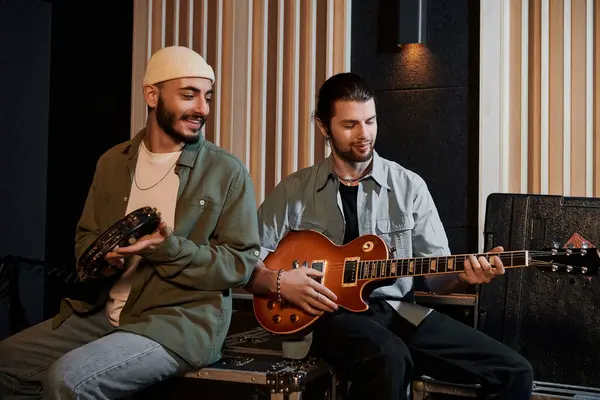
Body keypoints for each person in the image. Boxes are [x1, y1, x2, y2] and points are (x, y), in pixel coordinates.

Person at [244, 72, 533, 400]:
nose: (364, 134)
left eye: (370, 121)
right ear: (324, 127)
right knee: (390, 359)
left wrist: (466, 277)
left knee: (515, 371)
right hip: (330, 317)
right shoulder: (294, 190)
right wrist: (281, 282)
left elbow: (438, 276)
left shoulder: (409, 187)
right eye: (350, 124)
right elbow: (245, 260)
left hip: (400, 311)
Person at [0, 46, 261, 399]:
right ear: (152, 95)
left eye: (207, 96)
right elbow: (85, 240)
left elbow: (240, 263)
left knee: (66, 380)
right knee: (7, 361)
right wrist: (104, 261)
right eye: (189, 94)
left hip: (176, 324)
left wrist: (168, 249)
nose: (203, 108)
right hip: (104, 313)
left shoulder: (226, 171)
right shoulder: (112, 162)